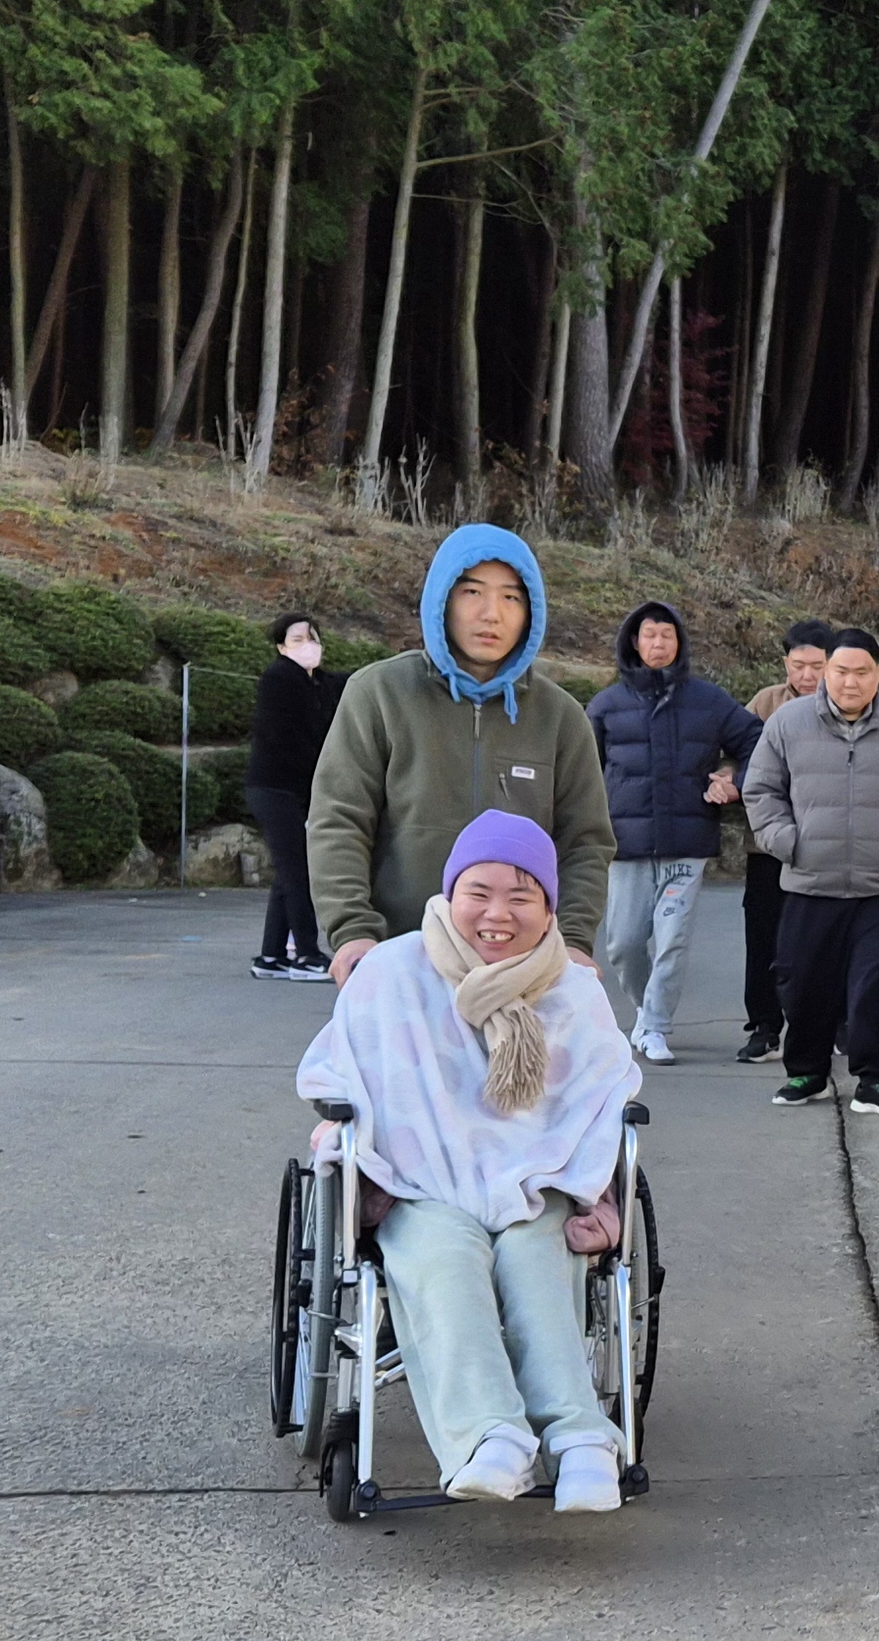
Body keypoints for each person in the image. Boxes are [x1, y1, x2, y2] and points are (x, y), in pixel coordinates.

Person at [295, 811, 643, 1513]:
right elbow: (339, 1070)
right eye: (478, 892)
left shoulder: (573, 988)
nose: (497, 914)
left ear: (549, 906)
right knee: (443, 1258)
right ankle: (492, 1439)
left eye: (521, 896)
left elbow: (601, 1094)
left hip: (536, 1178)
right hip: (421, 1179)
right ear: (449, 892)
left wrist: (575, 1185)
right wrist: (345, 1126)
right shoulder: (393, 971)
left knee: (535, 1259)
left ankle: (581, 1442)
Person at [310, 524, 617, 984]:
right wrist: (352, 930)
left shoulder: (561, 717)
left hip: (521, 969)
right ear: (442, 599)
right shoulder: (378, 693)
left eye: (511, 597)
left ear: (532, 611)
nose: (491, 613)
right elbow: (339, 819)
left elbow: (585, 842)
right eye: (472, 592)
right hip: (398, 957)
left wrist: (572, 940)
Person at [742, 624, 879, 1119]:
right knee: (802, 981)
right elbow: (761, 791)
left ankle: (875, 1080)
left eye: (862, 672)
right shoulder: (788, 723)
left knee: (875, 984)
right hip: (809, 881)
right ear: (825, 672)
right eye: (840, 671)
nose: (850, 682)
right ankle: (806, 1072)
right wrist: (787, 842)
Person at [586, 599, 762, 1066]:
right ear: (634, 642)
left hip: (687, 843)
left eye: (668, 635)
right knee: (623, 944)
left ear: (679, 643)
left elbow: (758, 742)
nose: (659, 643)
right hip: (626, 845)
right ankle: (646, 1012)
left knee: (672, 940)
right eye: (650, 634)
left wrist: (735, 781)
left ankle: (656, 1027)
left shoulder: (709, 701)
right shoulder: (606, 705)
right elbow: (580, 772)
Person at [734, 620, 839, 1062]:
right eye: (798, 665)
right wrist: (726, 777)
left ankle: (834, 1023)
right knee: (764, 939)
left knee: (826, 940)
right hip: (769, 844)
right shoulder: (765, 703)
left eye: (817, 665)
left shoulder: (848, 704)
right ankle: (764, 1025)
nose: (807, 675)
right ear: (785, 663)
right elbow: (735, 752)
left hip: (827, 845)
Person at [245, 614, 343, 980]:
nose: (308, 645)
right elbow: (295, 733)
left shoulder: (319, 682)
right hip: (273, 787)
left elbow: (351, 682)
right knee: (299, 871)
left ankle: (270, 957)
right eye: (297, 639)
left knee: (287, 872)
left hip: (295, 790)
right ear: (281, 647)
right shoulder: (279, 678)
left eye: (312, 637)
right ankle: (306, 954)